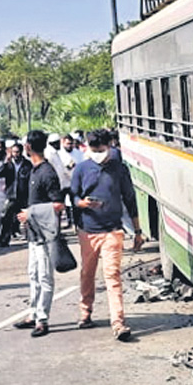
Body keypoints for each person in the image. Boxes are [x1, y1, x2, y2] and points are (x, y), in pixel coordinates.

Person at [70, 129, 144, 341]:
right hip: (88, 230)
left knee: (112, 276)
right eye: (94, 150)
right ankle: (85, 313)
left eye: (101, 149)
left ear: (109, 147)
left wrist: (137, 232)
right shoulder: (82, 169)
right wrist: (81, 203)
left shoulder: (119, 169)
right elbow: (73, 194)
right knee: (87, 273)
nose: (98, 153)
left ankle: (118, 322)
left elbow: (130, 200)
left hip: (113, 229)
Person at [12, 130, 66, 337]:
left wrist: (31, 213)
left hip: (45, 232)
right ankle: (33, 313)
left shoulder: (47, 172)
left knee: (44, 276)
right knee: (33, 274)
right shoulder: (33, 170)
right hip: (33, 232)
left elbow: (59, 204)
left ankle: (42, 319)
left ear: (28, 147)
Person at [0, 141, 31, 248]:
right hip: (11, 195)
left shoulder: (27, 165)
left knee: (29, 218)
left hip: (24, 196)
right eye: (14, 152)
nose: (16, 154)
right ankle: (4, 240)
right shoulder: (9, 165)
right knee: (6, 218)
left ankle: (33, 238)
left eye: (18, 152)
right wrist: (6, 162)